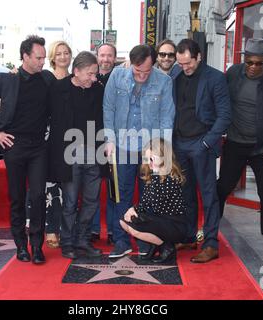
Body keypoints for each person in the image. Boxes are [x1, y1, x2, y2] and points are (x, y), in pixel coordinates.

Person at [0, 35, 54, 264]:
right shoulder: (6, 80)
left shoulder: (47, 79)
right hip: (14, 145)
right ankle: (21, 245)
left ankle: (37, 246)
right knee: (17, 197)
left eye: (43, 57)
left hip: (39, 146)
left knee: (39, 195)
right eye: (39, 58)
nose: (43, 61)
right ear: (25, 57)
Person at [103, 44, 175, 258]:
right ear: (131, 64)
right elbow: (109, 108)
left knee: (149, 197)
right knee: (120, 196)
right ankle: (121, 241)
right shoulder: (117, 76)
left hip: (149, 147)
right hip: (121, 146)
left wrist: (162, 148)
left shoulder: (164, 81)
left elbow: (166, 116)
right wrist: (109, 139)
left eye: (147, 71)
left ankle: (145, 242)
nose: (142, 75)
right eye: (137, 71)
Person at [173, 39, 231, 263]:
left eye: (188, 63)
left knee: (209, 196)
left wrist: (207, 143)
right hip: (180, 144)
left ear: (199, 57)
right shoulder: (175, 76)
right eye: (180, 63)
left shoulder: (215, 78)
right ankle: (188, 236)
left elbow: (225, 115)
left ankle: (210, 244)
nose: (184, 67)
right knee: (185, 195)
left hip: (202, 144)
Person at [217, 38, 263, 256]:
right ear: (244, 59)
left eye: (259, 63)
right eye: (250, 62)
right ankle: (210, 230)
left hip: (262, 147)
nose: (253, 67)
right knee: (221, 188)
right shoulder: (232, 75)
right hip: (235, 143)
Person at [48, 51, 104, 260]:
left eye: (95, 74)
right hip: (69, 154)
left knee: (92, 200)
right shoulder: (59, 88)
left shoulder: (97, 90)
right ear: (77, 71)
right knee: (70, 202)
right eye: (89, 74)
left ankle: (82, 239)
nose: (93, 78)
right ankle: (68, 242)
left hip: (94, 152)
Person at [120, 138, 187, 264]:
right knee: (124, 221)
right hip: (160, 220)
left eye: (152, 158)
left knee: (134, 227)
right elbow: (145, 202)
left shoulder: (170, 178)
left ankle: (166, 246)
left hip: (175, 225)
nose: (149, 162)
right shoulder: (153, 176)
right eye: (147, 159)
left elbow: (155, 203)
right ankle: (156, 244)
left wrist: (155, 174)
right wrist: (132, 210)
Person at [44, 40, 72, 249]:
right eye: (59, 53)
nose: (63, 56)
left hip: (69, 138)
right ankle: (50, 229)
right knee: (48, 184)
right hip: (46, 137)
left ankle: (65, 229)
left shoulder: (75, 79)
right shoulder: (44, 77)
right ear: (52, 57)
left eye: (66, 52)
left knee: (67, 185)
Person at [91, 43, 117, 245]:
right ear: (96, 56)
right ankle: (91, 230)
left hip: (114, 139)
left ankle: (113, 230)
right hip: (90, 138)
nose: (105, 59)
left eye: (109, 56)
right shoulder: (89, 77)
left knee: (112, 187)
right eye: (102, 55)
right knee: (91, 187)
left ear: (114, 58)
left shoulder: (121, 78)